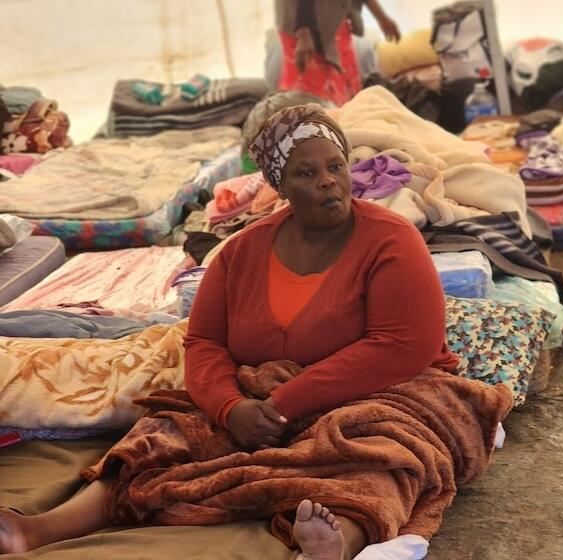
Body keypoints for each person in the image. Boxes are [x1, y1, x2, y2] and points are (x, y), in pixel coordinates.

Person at [0, 105, 463, 559]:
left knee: (384, 453)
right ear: (279, 185)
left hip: (384, 391)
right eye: (306, 173)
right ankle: (38, 530)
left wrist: (284, 404)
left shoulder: (391, 240)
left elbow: (403, 348)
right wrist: (230, 407)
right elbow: (203, 343)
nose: (327, 181)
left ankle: (335, 542)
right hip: (261, 393)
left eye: (336, 166)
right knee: (163, 434)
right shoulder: (240, 252)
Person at [276, 0, 401, 106]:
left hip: (334, 20)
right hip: (302, 27)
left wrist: (381, 17)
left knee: (347, 94)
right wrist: (303, 32)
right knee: (311, 100)